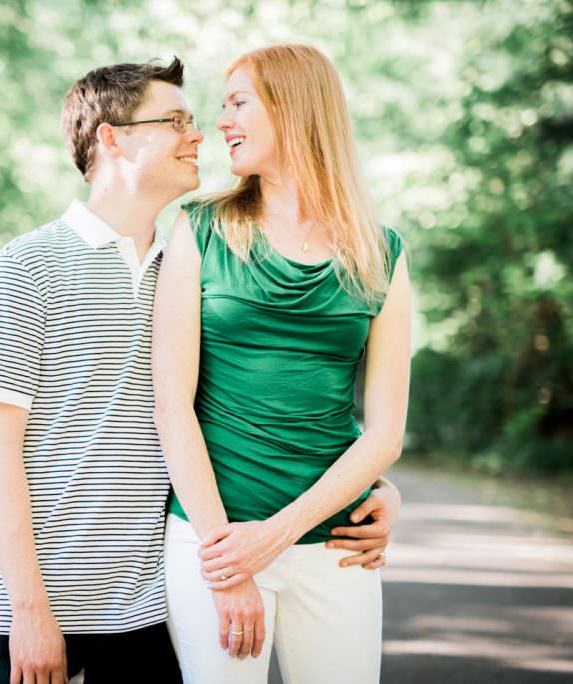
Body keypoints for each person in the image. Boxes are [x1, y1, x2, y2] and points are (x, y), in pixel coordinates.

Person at [0, 56, 400, 684]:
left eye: (200, 118)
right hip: (35, 612)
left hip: (144, 616)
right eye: (176, 122)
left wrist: (373, 487)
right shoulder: (28, 265)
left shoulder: (184, 265)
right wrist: (28, 611)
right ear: (112, 138)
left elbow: (257, 392)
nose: (202, 134)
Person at [153, 44, 411, 684]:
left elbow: (385, 434)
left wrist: (279, 534)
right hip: (213, 539)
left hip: (336, 545)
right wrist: (228, 559)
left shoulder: (381, 251)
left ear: (294, 109)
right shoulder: (199, 228)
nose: (221, 122)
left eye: (238, 104)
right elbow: (172, 407)